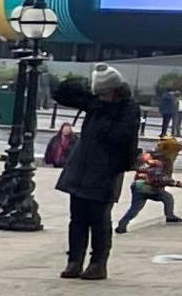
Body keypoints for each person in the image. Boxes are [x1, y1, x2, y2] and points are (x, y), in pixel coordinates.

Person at [53, 63, 142, 280]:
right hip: (81, 168)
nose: (101, 97)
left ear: (115, 90)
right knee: (77, 219)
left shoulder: (128, 108)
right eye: (98, 93)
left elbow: (119, 137)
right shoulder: (95, 103)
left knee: (99, 220)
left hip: (106, 171)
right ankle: (74, 261)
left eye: (104, 93)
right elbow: (62, 95)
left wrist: (104, 113)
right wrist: (84, 86)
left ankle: (98, 263)